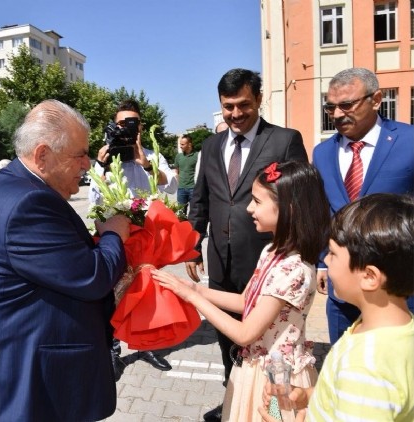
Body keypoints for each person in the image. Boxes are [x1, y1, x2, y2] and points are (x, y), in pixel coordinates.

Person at [0, 100, 130, 422]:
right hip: (24, 379)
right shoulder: (28, 203)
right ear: (43, 155)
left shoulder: (19, 187)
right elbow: (92, 278)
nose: (87, 164)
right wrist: (114, 235)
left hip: (23, 367)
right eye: (80, 154)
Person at [153, 161, 330, 422]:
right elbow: (244, 301)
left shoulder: (292, 269)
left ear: (288, 209)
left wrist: (192, 297)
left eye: (257, 201)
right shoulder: (271, 251)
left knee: (272, 417)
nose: (249, 209)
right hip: (257, 369)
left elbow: (245, 333)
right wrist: (194, 288)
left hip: (277, 381)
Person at [187, 68, 308, 421]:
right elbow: (202, 198)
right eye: (228, 106)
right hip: (220, 260)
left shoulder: (284, 140)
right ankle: (235, 398)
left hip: (265, 262)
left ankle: (270, 407)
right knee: (227, 339)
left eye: (243, 105)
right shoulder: (211, 145)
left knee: (265, 341)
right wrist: (194, 241)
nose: (236, 114)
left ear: (258, 99)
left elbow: (297, 199)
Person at [259, 193, 414, 422]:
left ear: (370, 276)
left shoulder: (366, 366)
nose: (327, 261)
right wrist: (309, 396)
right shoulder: (397, 330)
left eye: (332, 253)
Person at [312, 67, 414, 345]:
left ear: (376, 99)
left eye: (346, 105)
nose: (336, 114)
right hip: (342, 292)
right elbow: (324, 212)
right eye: (330, 107)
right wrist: (323, 261)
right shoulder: (322, 153)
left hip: (398, 287)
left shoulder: (409, 141)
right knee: (344, 363)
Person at [88, 99, 177, 377]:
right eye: (121, 124)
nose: (126, 129)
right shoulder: (105, 158)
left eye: (132, 123)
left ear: (140, 126)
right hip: (117, 240)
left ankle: (146, 344)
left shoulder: (151, 155)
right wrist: (101, 167)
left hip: (148, 240)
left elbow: (171, 185)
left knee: (147, 295)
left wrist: (146, 164)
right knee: (113, 295)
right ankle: (113, 349)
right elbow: (93, 199)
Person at [173, 134, 198, 214]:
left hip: (193, 188)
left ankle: (192, 226)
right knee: (180, 213)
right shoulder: (178, 156)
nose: (180, 146)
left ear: (189, 144)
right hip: (181, 189)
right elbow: (176, 171)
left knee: (195, 212)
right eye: (180, 144)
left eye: (182, 144)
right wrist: (179, 183)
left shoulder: (198, 156)